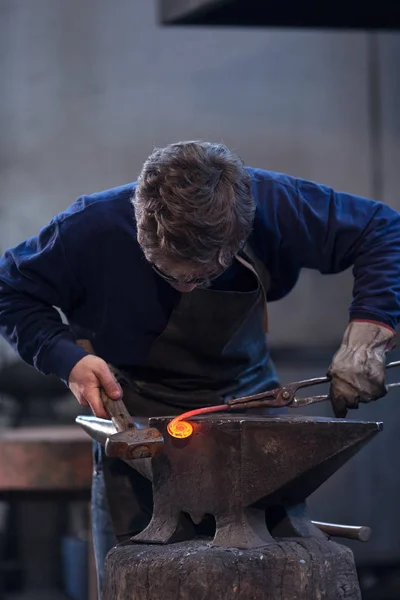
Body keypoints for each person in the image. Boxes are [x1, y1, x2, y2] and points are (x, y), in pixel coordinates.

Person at [0, 140, 399, 593]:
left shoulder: (270, 203)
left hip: (249, 411)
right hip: (136, 425)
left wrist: (367, 334)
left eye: (205, 275)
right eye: (170, 274)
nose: (187, 288)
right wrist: (67, 359)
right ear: (140, 225)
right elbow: (8, 290)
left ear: (240, 232)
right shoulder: (88, 228)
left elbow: (382, 229)